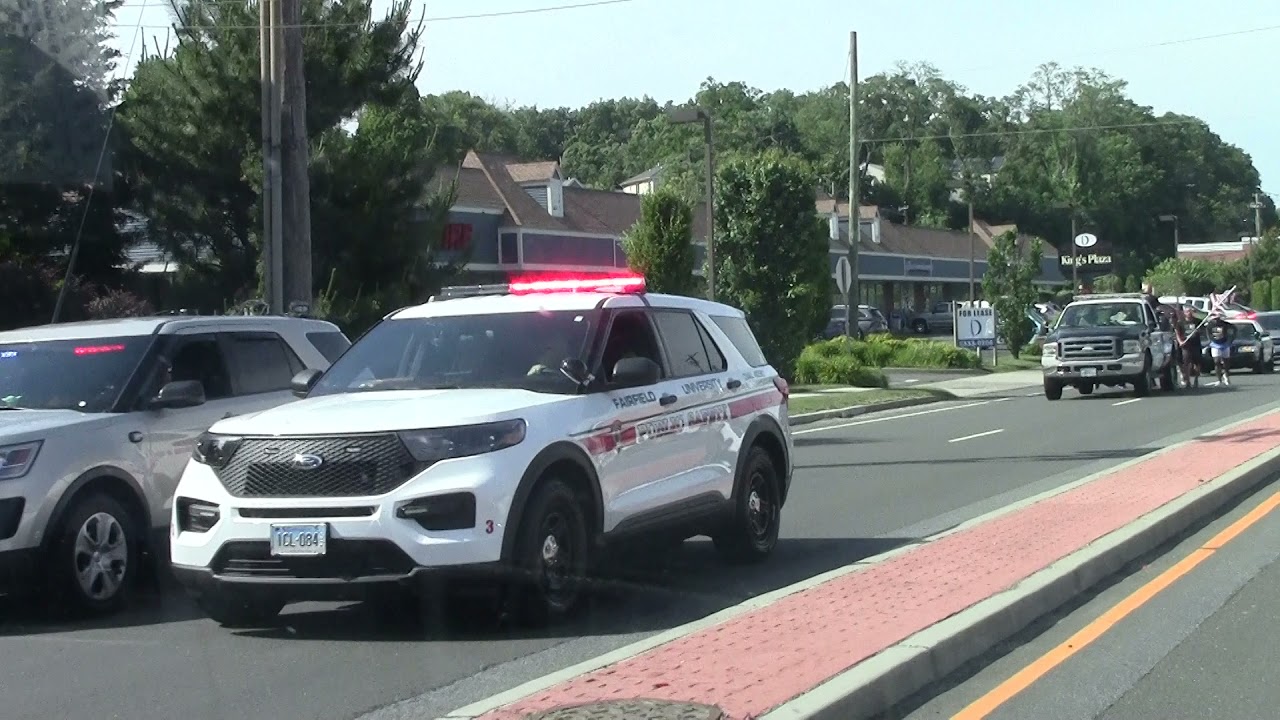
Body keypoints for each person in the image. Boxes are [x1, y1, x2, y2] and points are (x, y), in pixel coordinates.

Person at [1175, 305, 1202, 389]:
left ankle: (1196, 380)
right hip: (1186, 346)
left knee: (1197, 363)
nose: (1189, 313)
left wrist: (1199, 331)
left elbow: (1203, 330)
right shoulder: (1180, 322)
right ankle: (1188, 381)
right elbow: (1177, 333)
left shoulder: (1197, 322)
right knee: (1186, 364)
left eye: (1190, 311)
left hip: (1196, 345)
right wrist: (1180, 341)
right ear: (1184, 313)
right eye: (1187, 311)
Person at [1206, 313, 1236, 387]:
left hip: (1225, 344)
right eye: (1215, 318)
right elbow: (1207, 333)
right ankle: (1219, 379)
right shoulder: (1210, 325)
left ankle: (1226, 375)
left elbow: (1234, 329)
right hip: (1215, 344)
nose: (1216, 320)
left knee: (1226, 362)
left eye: (1217, 318)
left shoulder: (1225, 324)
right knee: (1216, 361)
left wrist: (1231, 339)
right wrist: (1210, 340)